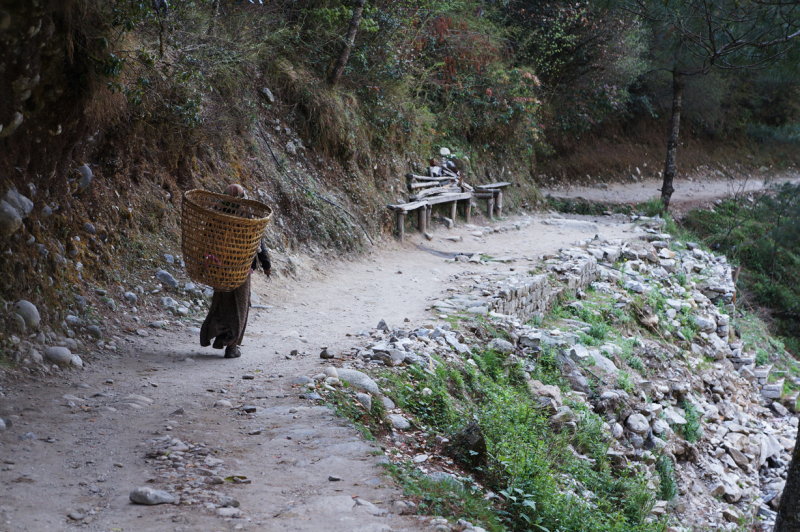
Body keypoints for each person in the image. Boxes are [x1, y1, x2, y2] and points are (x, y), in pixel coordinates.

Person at [200, 184, 271, 358]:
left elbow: (206, 240)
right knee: (240, 307)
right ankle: (231, 346)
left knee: (222, 304)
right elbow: (258, 243)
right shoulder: (246, 216)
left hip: (220, 269)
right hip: (241, 270)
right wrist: (266, 264)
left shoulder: (216, 216)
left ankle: (219, 336)